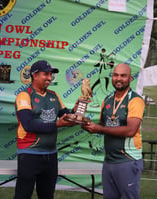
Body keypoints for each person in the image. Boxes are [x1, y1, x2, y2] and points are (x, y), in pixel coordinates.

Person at [14, 60, 77, 199]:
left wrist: (78, 109)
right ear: (34, 75)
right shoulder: (24, 95)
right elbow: (28, 125)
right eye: (46, 74)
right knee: (22, 196)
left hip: (50, 155)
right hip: (29, 154)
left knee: (47, 196)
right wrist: (57, 125)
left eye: (51, 75)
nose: (49, 78)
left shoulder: (53, 95)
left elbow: (66, 116)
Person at [82, 63, 145, 199]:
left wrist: (100, 128)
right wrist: (86, 124)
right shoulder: (108, 99)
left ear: (130, 78)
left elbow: (130, 131)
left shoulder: (135, 100)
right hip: (109, 160)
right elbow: (103, 125)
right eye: (116, 75)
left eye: (123, 75)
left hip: (127, 160)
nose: (118, 78)